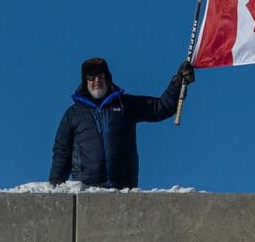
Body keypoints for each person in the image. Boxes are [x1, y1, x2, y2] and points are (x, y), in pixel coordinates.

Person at [49, 57, 195, 189]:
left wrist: (178, 82)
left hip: (123, 190)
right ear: (85, 82)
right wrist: (55, 184)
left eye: (101, 76)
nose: (97, 81)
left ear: (108, 79)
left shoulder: (125, 104)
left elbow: (161, 107)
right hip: (87, 191)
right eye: (91, 78)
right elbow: (62, 151)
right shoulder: (73, 114)